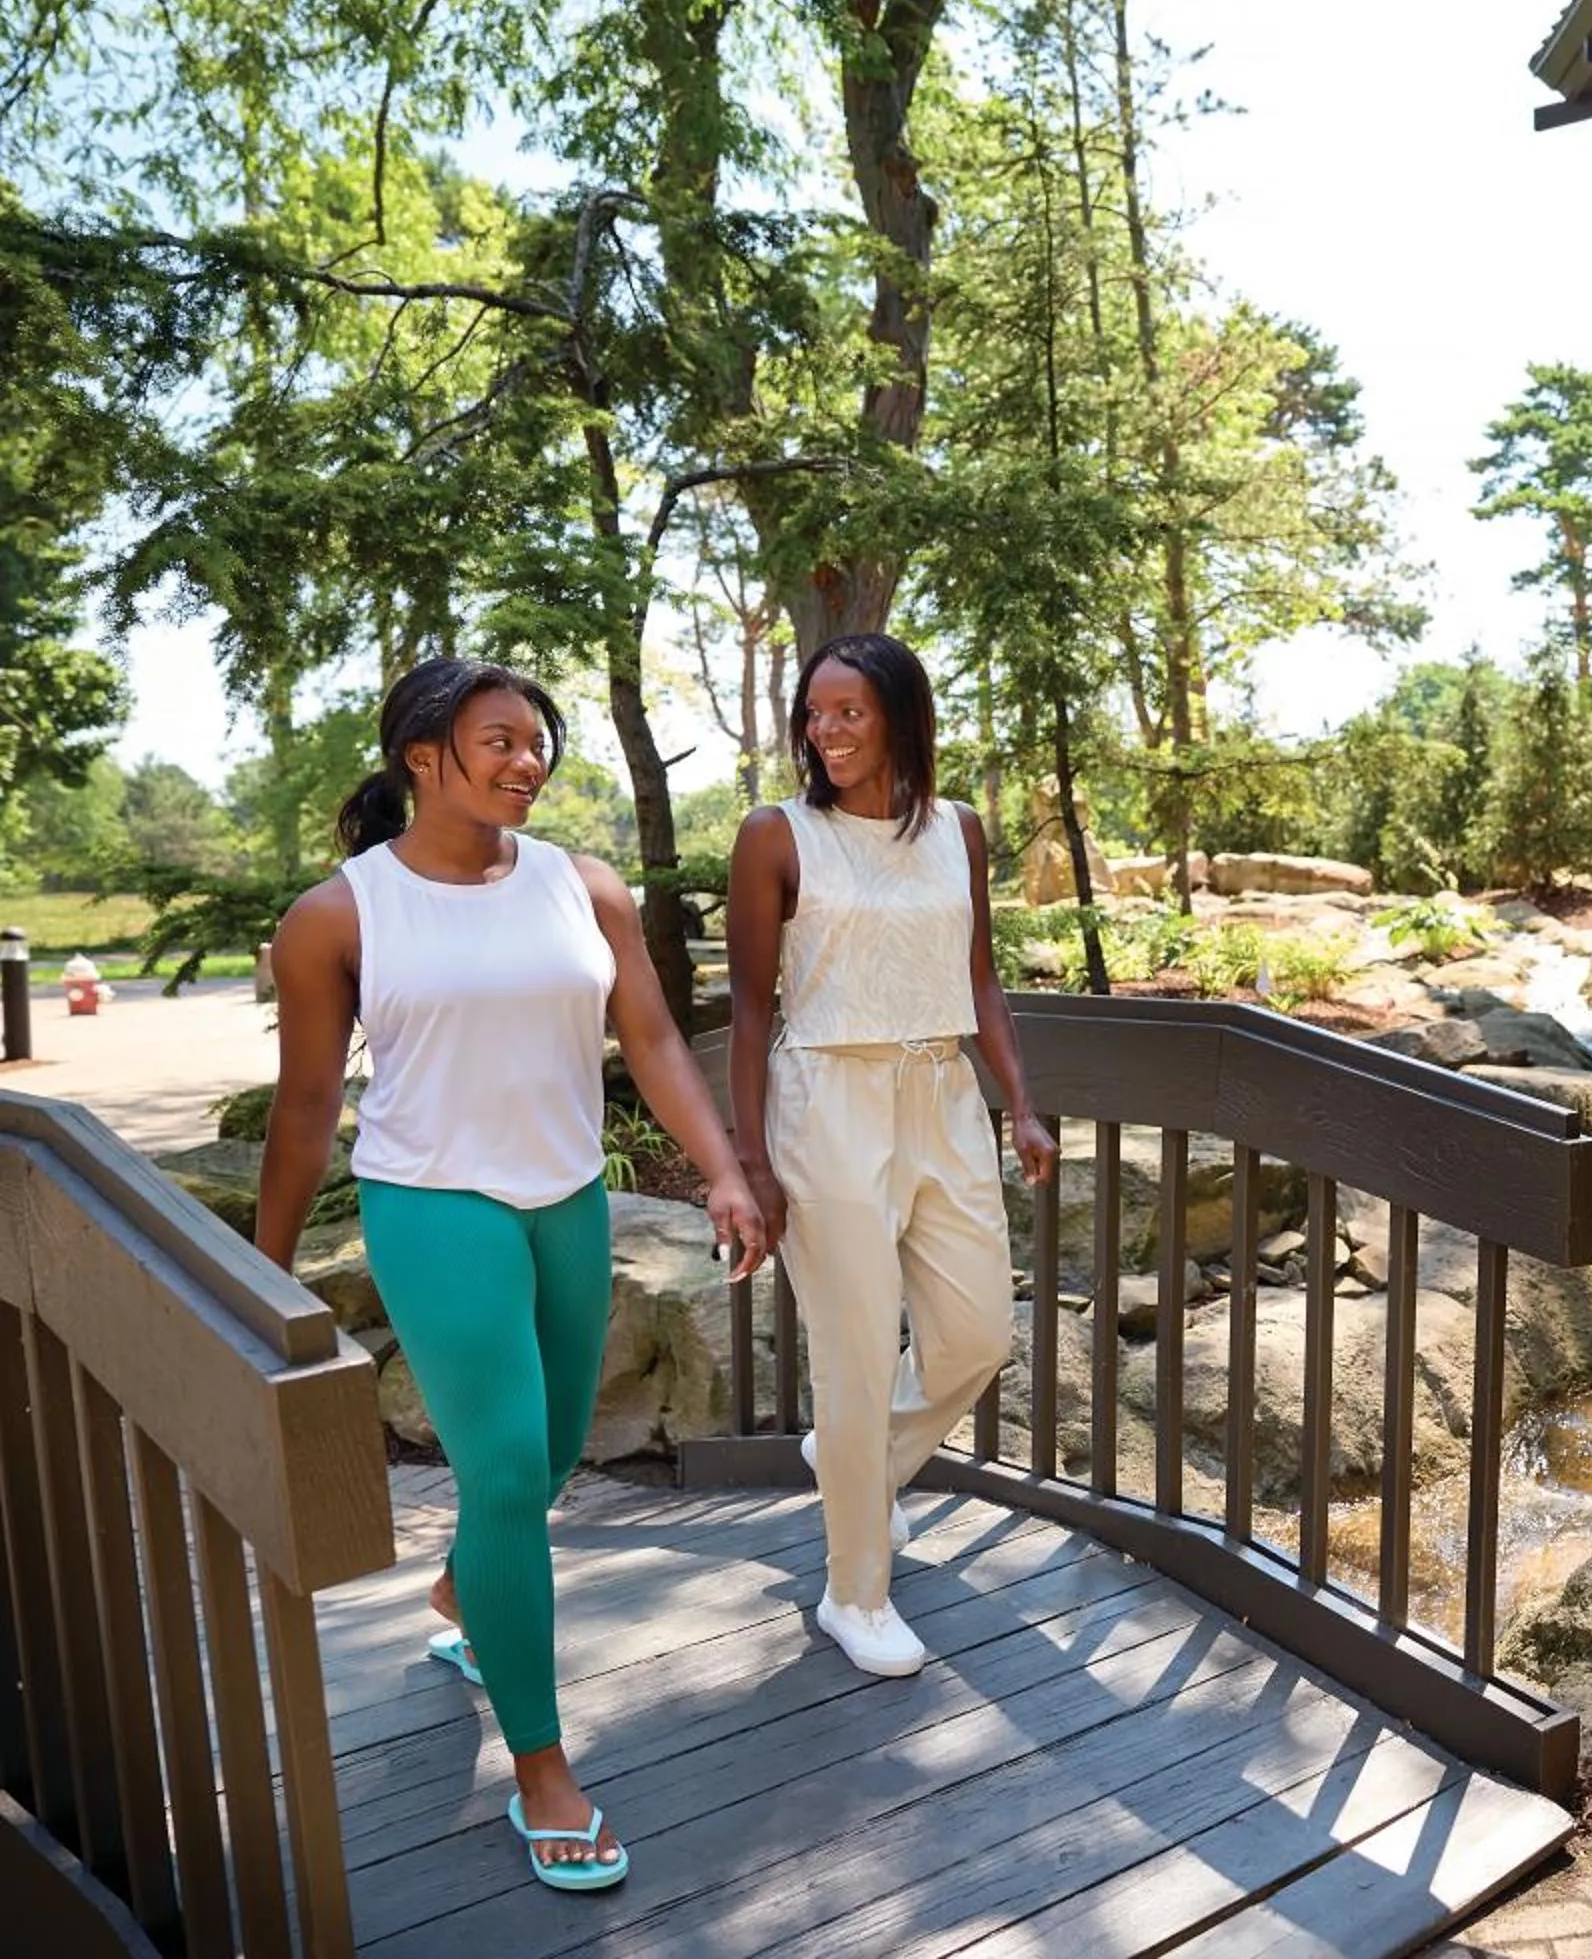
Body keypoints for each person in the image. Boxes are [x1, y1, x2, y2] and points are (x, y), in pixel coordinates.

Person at [254, 656, 769, 1894]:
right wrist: (258, 1271)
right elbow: (310, 1101)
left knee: (542, 1461)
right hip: (435, 1201)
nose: (527, 760)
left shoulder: (582, 886)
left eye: (537, 741)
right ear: (422, 753)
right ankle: (543, 1767)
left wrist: (725, 1169)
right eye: (499, 739)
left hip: (568, 1197)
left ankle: (464, 1590)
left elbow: (645, 1034)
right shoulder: (340, 914)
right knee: (495, 1469)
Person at [726, 631, 1057, 1678]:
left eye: (849, 713)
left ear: (901, 718)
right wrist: (751, 1162)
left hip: (944, 1092)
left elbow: (983, 978)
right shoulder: (775, 835)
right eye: (814, 714)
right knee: (859, 1349)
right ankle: (854, 1591)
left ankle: (855, 1466)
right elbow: (743, 1004)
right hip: (826, 1097)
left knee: (975, 1334)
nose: (825, 732)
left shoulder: (958, 829)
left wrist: (1025, 1104)